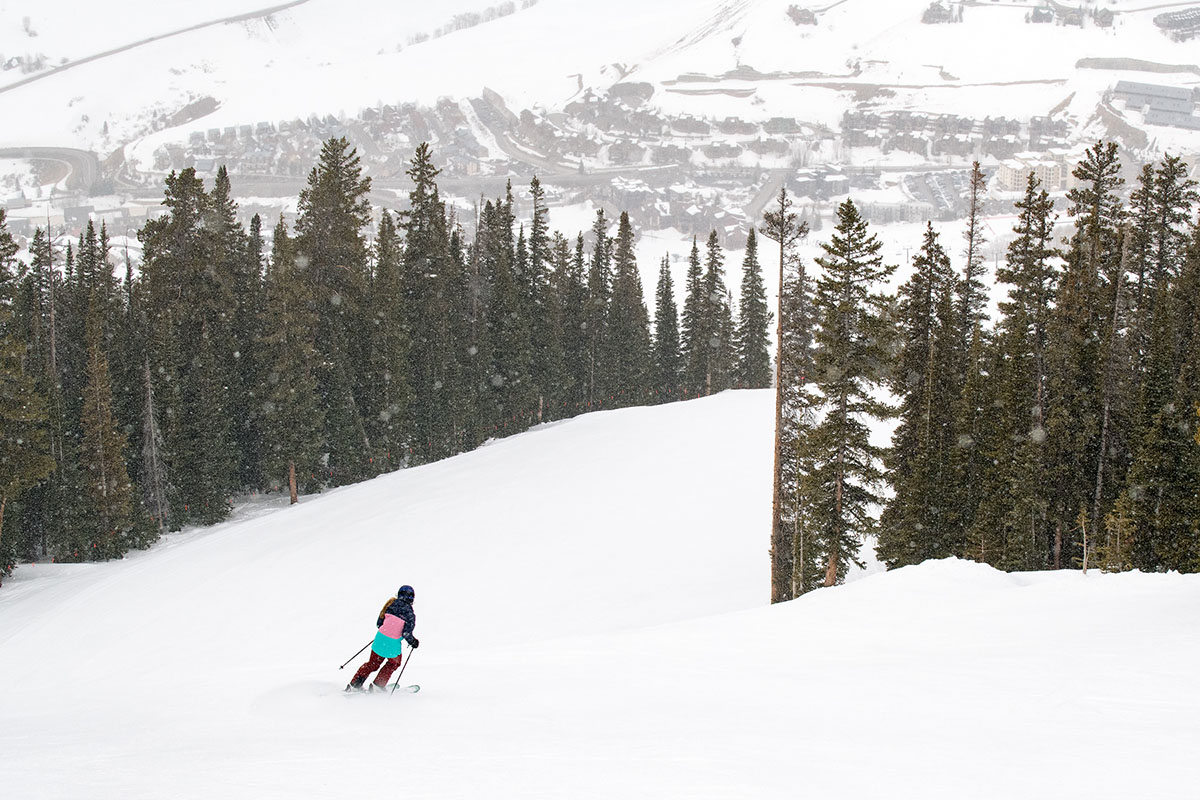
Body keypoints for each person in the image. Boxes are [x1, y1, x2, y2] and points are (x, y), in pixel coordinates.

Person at [346, 584, 420, 692]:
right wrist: (413, 642)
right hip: (392, 644)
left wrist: (387, 631)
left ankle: (355, 684)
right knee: (393, 663)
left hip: (380, 639)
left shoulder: (390, 605)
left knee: (372, 664)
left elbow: (379, 624)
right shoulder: (410, 614)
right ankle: (378, 686)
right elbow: (406, 633)